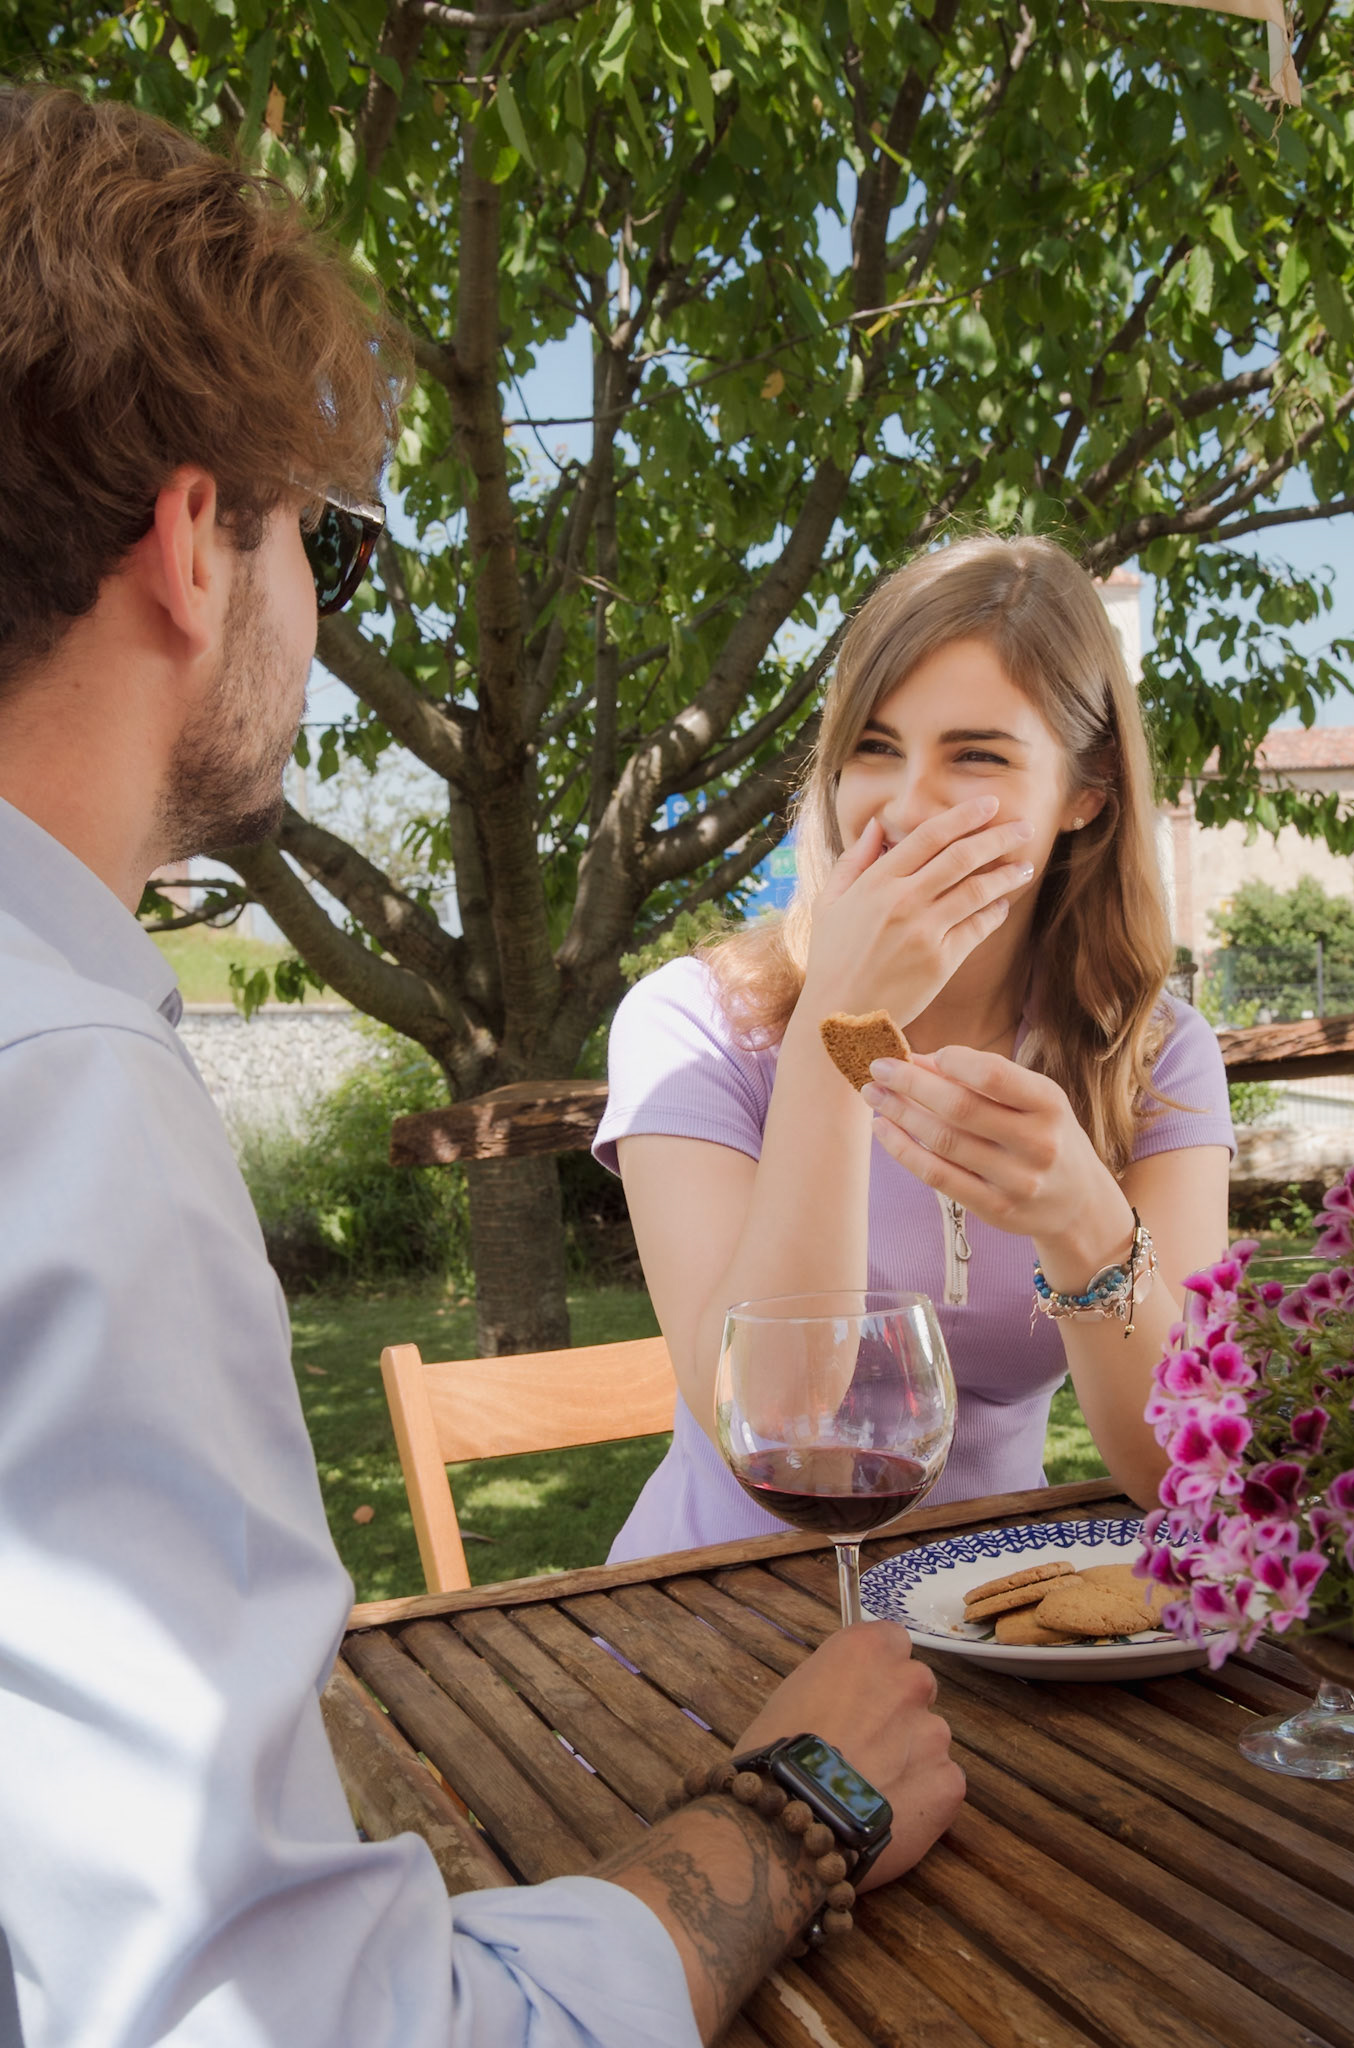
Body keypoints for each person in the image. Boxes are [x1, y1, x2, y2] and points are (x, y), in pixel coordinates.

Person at [0, 86, 964, 2048]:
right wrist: (796, 1811)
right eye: (330, 558)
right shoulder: (69, 1102)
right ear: (197, 542)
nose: (327, 624)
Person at [595, 534, 1235, 1564]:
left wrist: (1081, 1215)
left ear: (1086, 792)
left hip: (989, 1626)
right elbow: (777, 1423)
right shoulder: (691, 1025)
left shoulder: (1151, 1055)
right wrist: (835, 1036)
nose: (902, 805)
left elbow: (1181, 1470)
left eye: (975, 755)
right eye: (875, 748)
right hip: (709, 1623)